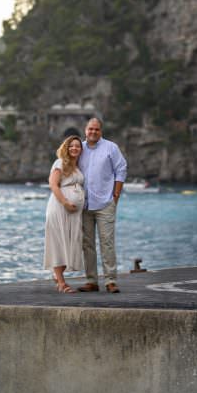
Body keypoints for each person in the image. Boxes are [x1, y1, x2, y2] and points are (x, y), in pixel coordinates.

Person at [78, 117, 127, 294]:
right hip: (84, 205)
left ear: (101, 131)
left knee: (107, 243)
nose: (93, 132)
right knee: (87, 244)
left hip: (105, 203)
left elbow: (121, 169)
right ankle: (91, 281)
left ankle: (110, 281)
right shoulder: (79, 148)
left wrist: (116, 194)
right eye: (90, 129)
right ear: (85, 130)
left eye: (96, 129)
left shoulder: (111, 148)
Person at [43, 135, 85, 294]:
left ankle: (57, 274)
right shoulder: (60, 162)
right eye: (71, 146)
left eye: (78, 146)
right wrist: (66, 202)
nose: (74, 148)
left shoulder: (77, 166)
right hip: (60, 208)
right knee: (58, 243)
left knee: (70, 243)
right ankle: (61, 283)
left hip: (73, 213)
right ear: (66, 148)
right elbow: (53, 185)